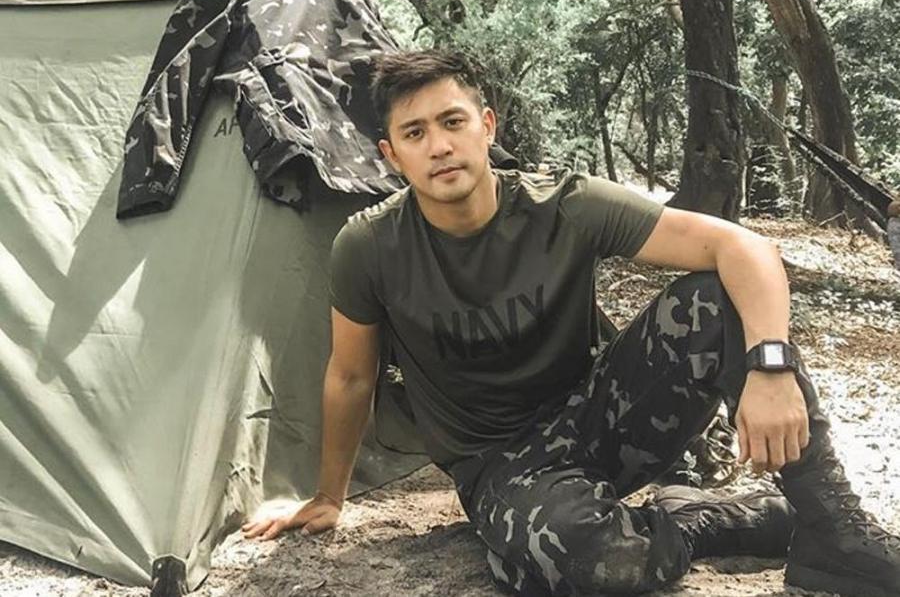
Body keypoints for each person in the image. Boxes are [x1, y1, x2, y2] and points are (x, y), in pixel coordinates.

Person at [242, 50, 899, 597]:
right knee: (598, 560)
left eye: (452, 121)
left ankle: (834, 533)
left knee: (717, 299)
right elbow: (351, 375)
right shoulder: (369, 247)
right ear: (392, 155)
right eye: (415, 134)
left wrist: (770, 366)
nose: (439, 146)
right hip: (495, 464)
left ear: (486, 126)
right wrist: (329, 497)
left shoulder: (565, 205)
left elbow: (744, 248)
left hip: (597, 417)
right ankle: (700, 522)